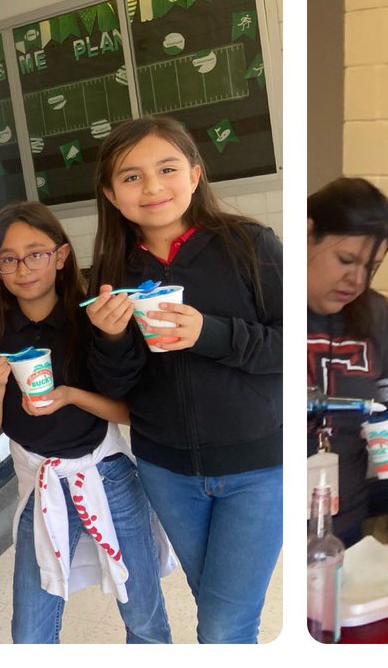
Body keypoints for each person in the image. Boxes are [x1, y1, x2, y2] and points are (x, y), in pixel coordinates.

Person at [83, 117, 282, 643]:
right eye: (131, 177)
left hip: (259, 467)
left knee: (223, 626)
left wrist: (209, 333)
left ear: (195, 175)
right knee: (217, 607)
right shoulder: (110, 270)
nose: (152, 187)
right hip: (167, 471)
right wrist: (107, 339)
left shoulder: (251, 246)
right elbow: (117, 386)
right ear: (110, 193)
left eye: (167, 169)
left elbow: (295, 349)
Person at [0, 202, 172, 644]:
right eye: (8, 258)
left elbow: (129, 412)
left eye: (36, 253)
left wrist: (70, 395)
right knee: (30, 633)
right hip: (40, 482)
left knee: (143, 617)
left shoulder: (90, 321)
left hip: (107, 474)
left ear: (61, 256)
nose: (23, 268)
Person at [307, 177, 388, 545]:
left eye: (371, 268)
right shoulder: (267, 300)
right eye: (345, 260)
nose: (356, 280)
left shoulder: (376, 317)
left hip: (343, 519)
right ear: (307, 233)